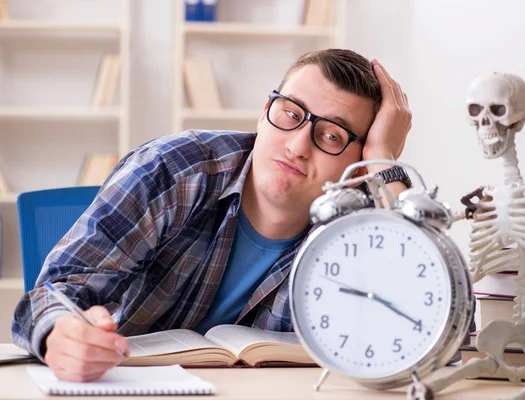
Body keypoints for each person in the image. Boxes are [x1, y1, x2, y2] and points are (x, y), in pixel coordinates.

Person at [11, 49, 412, 382]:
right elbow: (54, 291)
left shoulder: (362, 218)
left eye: (331, 135)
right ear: (265, 111)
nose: (296, 146)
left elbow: (431, 330)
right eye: (291, 114)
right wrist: (61, 335)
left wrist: (385, 166)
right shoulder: (172, 169)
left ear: (358, 161)